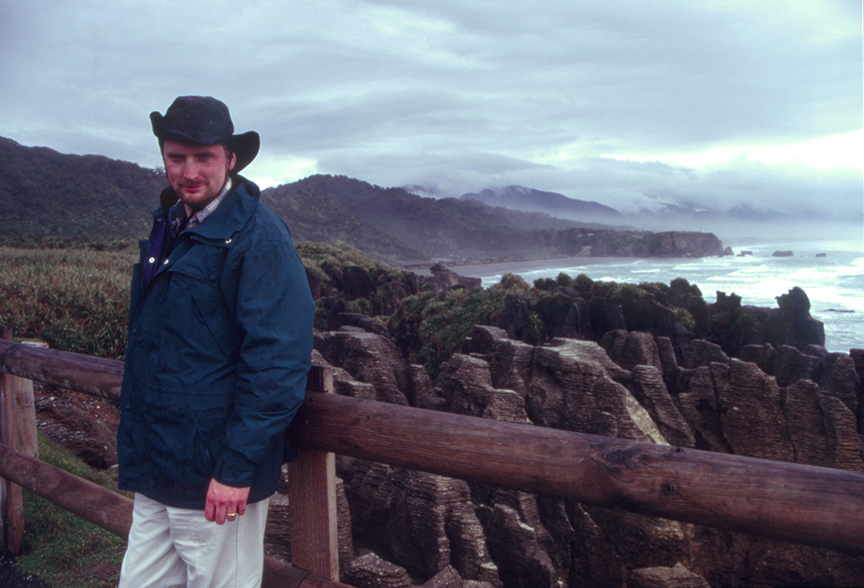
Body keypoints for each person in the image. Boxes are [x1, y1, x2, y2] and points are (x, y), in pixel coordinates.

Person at [117, 96, 314, 587]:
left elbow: (277, 362)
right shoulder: (170, 225)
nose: (188, 171)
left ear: (230, 159)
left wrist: (235, 468)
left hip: (214, 474)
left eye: (204, 157)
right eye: (176, 156)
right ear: (163, 156)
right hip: (158, 464)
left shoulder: (259, 237)